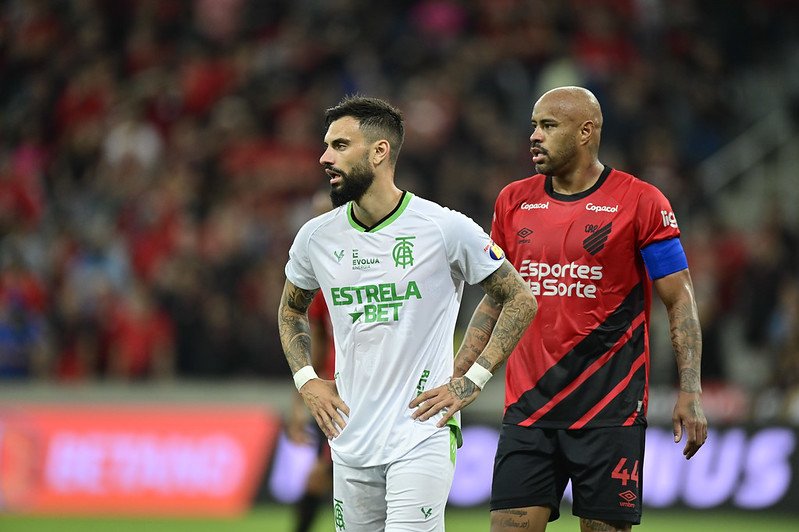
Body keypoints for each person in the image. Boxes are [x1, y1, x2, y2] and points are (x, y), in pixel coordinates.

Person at [451, 86, 708, 532]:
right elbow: (496, 299)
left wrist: (691, 390)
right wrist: (457, 377)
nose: (534, 135)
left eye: (548, 126)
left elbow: (679, 299)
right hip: (528, 409)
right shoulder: (512, 201)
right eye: (533, 125)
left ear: (586, 131)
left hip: (610, 411)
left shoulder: (642, 202)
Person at [278, 95, 537, 532]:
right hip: (349, 434)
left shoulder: (443, 227)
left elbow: (520, 298)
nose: (324, 157)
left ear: (380, 152)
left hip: (421, 433)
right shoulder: (316, 238)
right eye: (326, 146)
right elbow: (290, 310)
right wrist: (307, 382)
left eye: (340, 146)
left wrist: (472, 380)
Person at [287, 191, 336, 532]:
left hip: (373, 388)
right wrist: (298, 401)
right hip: (334, 393)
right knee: (322, 474)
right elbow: (315, 346)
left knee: (323, 475)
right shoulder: (318, 285)